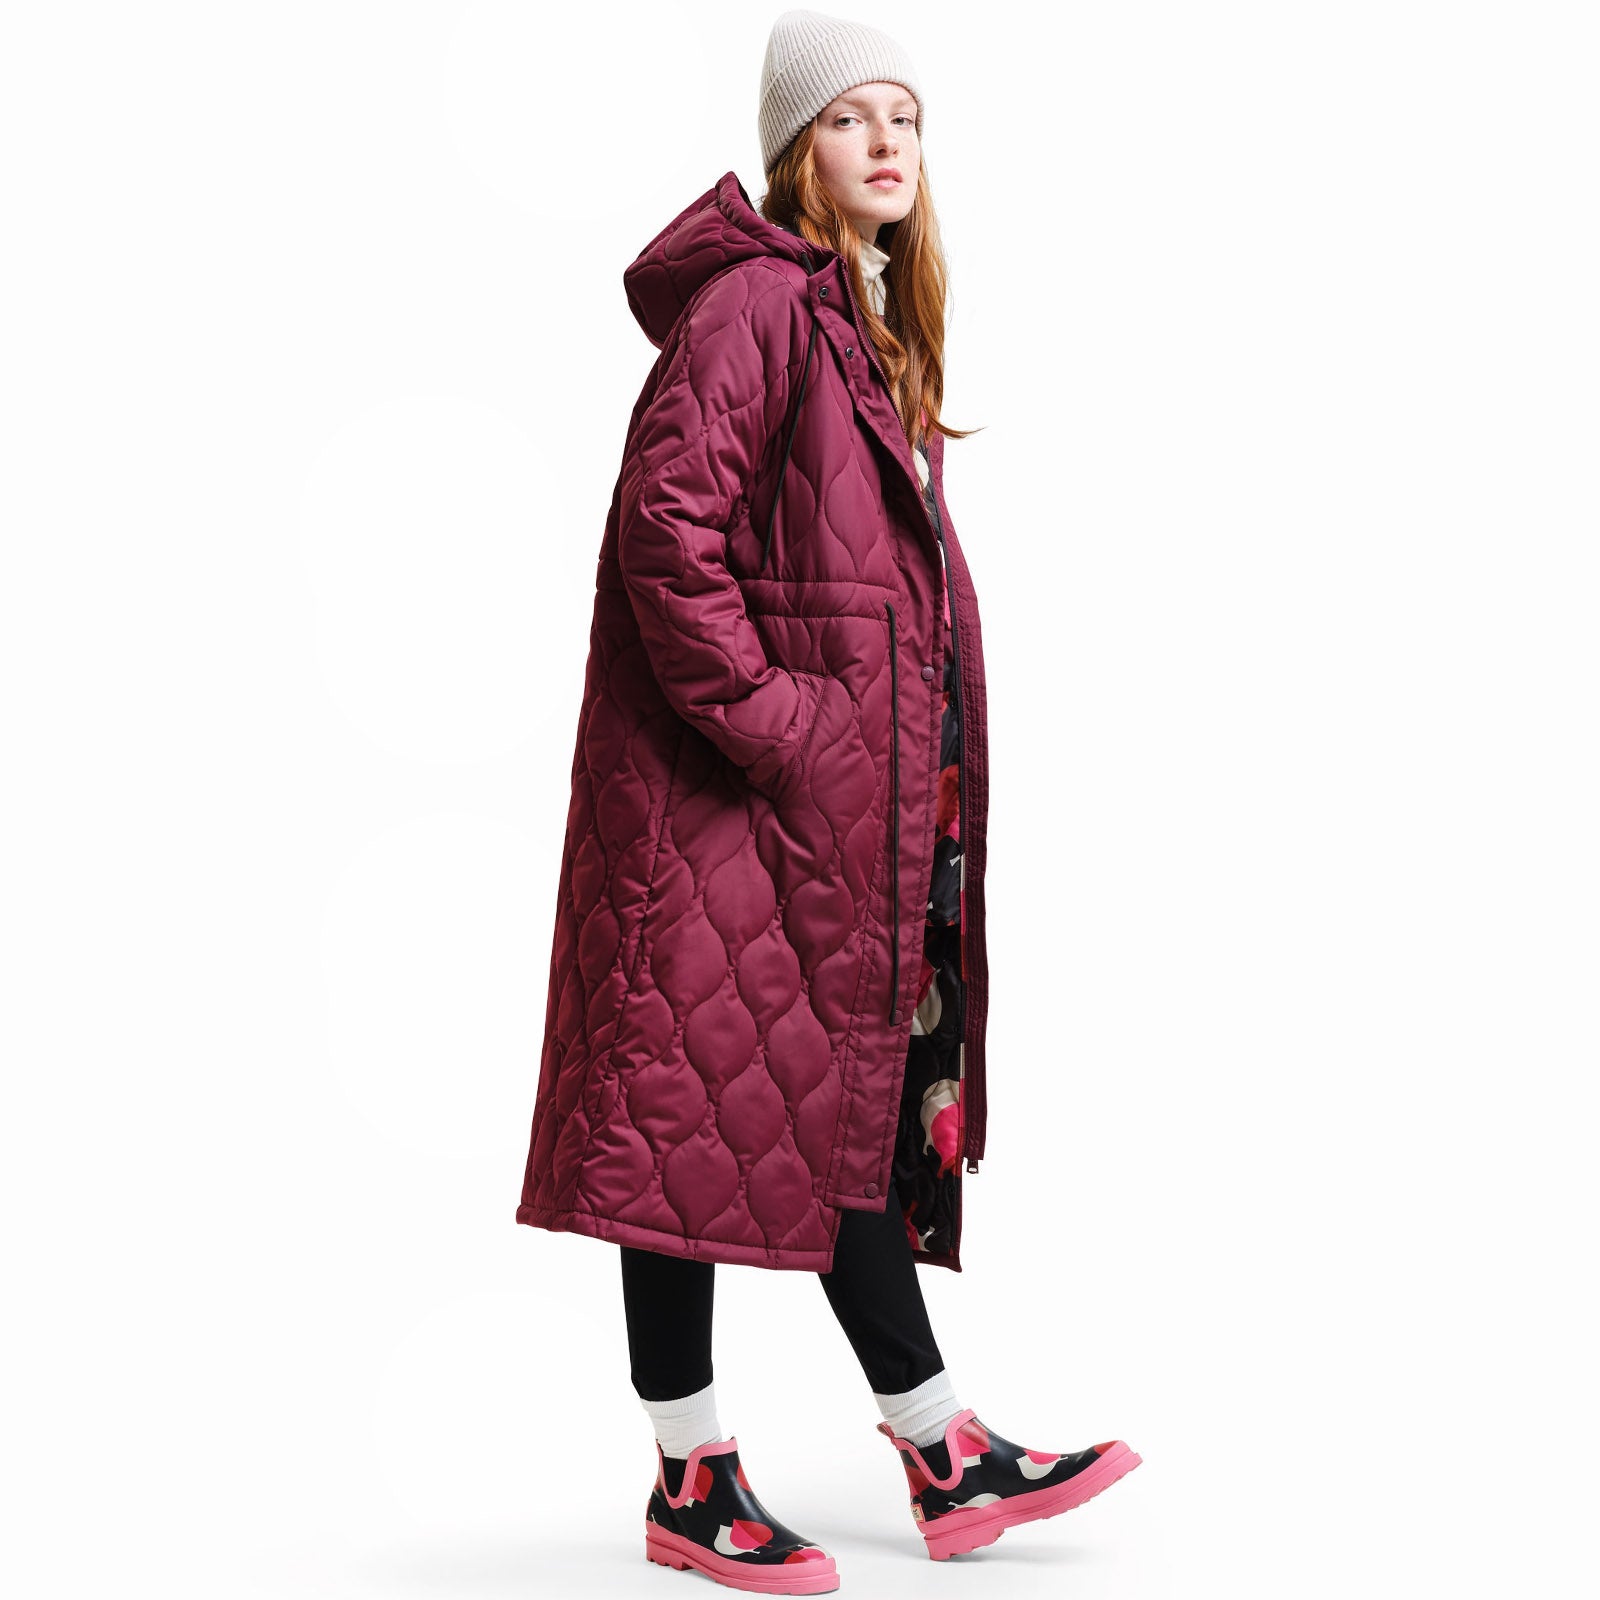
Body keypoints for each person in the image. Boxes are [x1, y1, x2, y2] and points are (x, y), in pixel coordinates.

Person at [514, 10, 1141, 1589]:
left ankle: (939, 1447)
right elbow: (667, 533)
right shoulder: (758, 303)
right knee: (686, 1120)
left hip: (818, 824)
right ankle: (695, 1482)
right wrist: (787, 726)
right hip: (722, 812)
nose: (884, 144)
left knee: (818, 1112)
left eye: (904, 120)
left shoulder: (856, 319)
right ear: (797, 149)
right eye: (850, 118)